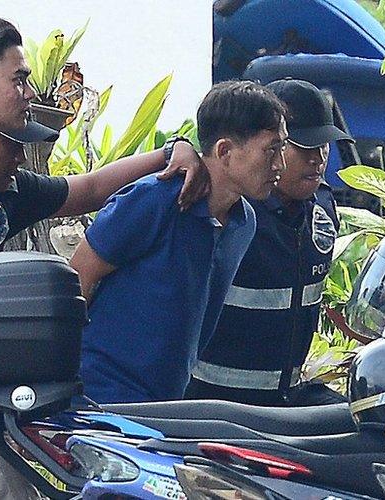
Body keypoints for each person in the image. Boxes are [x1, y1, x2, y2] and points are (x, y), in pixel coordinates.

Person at [72, 81, 289, 404]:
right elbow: (78, 277)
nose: (280, 165)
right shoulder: (155, 199)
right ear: (225, 151)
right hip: (100, 396)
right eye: (270, 150)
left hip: (167, 403)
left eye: (282, 149)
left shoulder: (245, 223)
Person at [0, 18, 210, 262]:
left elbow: (91, 189)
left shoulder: (5, 189)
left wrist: (170, 151)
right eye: (19, 80)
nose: (30, 93)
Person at [186, 79, 351, 406]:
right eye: (303, 147)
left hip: (284, 402)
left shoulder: (323, 208)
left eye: (324, 145)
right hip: (211, 406)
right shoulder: (227, 208)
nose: (318, 159)